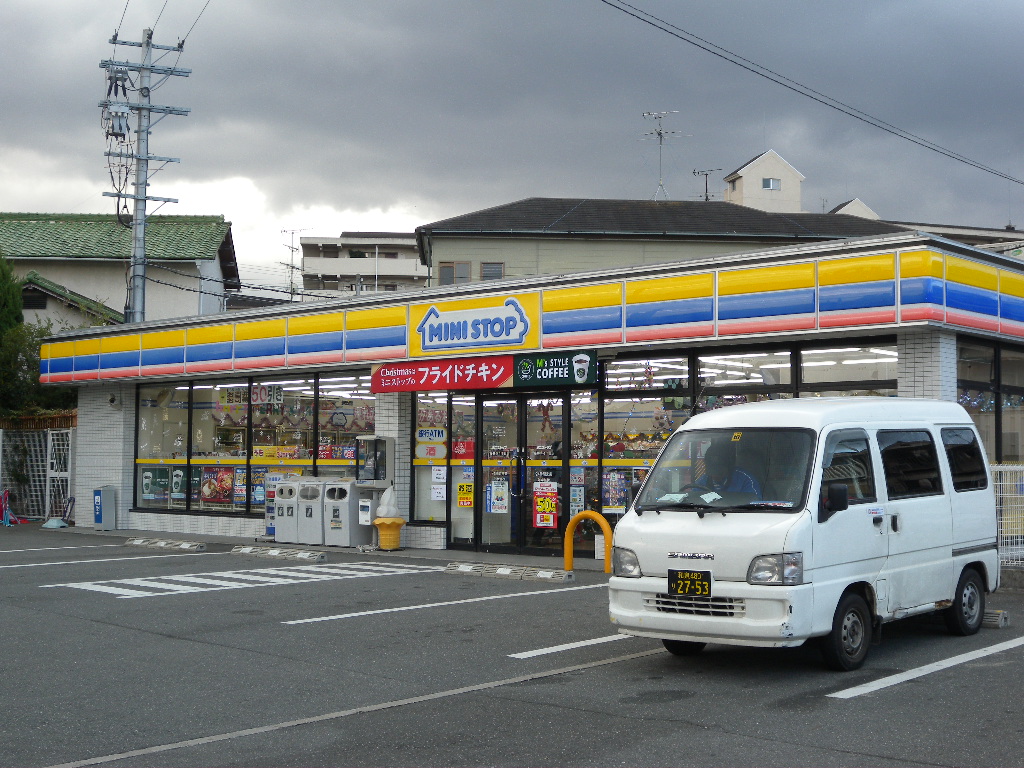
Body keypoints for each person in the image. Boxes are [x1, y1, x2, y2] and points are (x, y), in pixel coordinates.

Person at [695, 440, 762, 497]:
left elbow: (754, 506)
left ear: (729, 466)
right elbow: (694, 500)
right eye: (712, 471)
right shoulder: (702, 481)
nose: (715, 476)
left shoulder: (745, 480)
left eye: (720, 472)